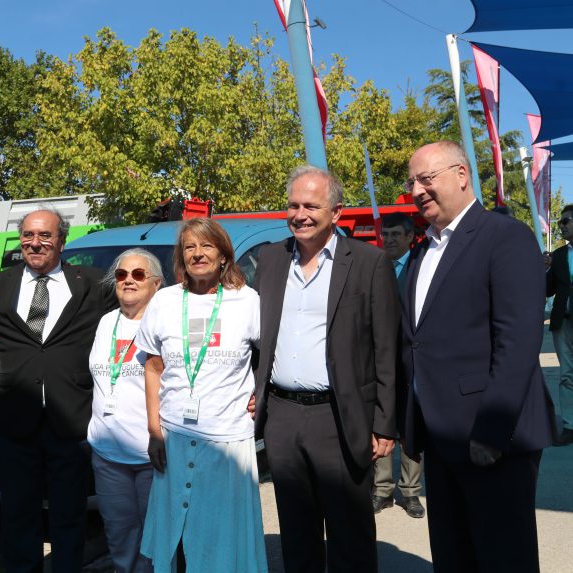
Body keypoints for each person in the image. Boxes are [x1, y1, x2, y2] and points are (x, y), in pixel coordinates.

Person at [400, 141, 555, 572]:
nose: (416, 190)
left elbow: (517, 342)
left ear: (462, 175)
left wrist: (491, 432)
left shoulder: (505, 237)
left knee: (503, 558)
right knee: (454, 557)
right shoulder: (422, 250)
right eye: (411, 182)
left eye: (426, 179)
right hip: (441, 437)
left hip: (492, 437)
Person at [253, 165, 399, 573]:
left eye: (311, 206)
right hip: (282, 417)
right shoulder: (271, 259)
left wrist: (384, 423)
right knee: (297, 534)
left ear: (336, 212)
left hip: (339, 416)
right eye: (293, 205)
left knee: (349, 534)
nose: (300, 214)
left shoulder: (369, 262)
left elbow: (386, 348)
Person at [0, 208, 115, 573]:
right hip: (16, 424)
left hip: (72, 422)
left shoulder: (94, 284)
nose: (35, 243)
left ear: (62, 241)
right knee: (18, 518)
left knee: (70, 518)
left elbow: (138, 315)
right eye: (28, 235)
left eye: (45, 236)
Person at [136, 217, 267, 572]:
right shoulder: (164, 301)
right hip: (174, 437)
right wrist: (154, 430)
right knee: (176, 540)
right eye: (189, 247)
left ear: (224, 255)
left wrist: (261, 394)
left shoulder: (247, 301)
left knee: (223, 540)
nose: (197, 254)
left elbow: (272, 356)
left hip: (228, 440)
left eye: (207, 246)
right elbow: (153, 367)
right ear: (181, 256)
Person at [87, 248, 163, 573]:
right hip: (107, 454)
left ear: (156, 284)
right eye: (121, 274)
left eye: (138, 274)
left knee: (155, 539)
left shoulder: (164, 325)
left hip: (152, 456)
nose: (128, 280)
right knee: (119, 536)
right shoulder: (107, 322)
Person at [372, 212, 425, 519]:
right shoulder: (374, 266)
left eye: (395, 235)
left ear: (409, 237)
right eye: (386, 234)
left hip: (411, 361)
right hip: (378, 360)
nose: (389, 240)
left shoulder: (420, 267)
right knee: (381, 421)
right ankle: (382, 490)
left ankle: (411, 491)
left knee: (411, 425)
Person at [546, 203, 573, 446]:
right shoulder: (559, 256)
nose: (561, 226)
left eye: (565, 221)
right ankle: (569, 425)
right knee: (566, 375)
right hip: (563, 322)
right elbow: (548, 289)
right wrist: (545, 269)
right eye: (560, 222)